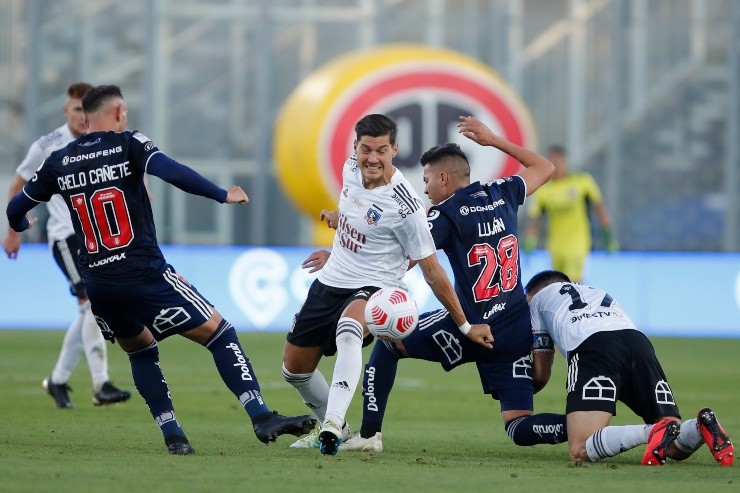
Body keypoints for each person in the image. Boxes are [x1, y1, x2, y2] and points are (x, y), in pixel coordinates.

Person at [6, 84, 316, 455]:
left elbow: (15, 207)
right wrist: (223, 194)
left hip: (100, 285)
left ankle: (174, 436)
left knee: (141, 352)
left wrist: (20, 225)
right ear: (119, 112)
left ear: (84, 118)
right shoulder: (129, 143)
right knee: (220, 334)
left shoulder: (59, 160)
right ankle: (261, 416)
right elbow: (173, 172)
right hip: (145, 273)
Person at [340, 116, 568, 453]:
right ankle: (583, 423)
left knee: (388, 343)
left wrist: (346, 254)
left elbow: (405, 259)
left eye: (427, 180)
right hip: (514, 329)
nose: (426, 189)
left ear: (443, 179)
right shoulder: (502, 192)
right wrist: (493, 140)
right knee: (519, 425)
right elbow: (545, 167)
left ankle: (369, 435)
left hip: (473, 328)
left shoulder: (444, 214)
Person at [281, 113, 493, 456]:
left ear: (394, 150)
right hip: (332, 279)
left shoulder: (406, 206)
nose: (372, 158)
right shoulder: (350, 168)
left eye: (381, 150)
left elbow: (433, 271)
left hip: (376, 287)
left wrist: (465, 325)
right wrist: (336, 226)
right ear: (355, 148)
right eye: (366, 149)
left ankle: (332, 423)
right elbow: (357, 212)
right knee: (294, 370)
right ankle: (340, 431)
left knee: (350, 328)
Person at [2, 82, 131, 409]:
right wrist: (13, 230)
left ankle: (58, 380)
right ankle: (101, 384)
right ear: (66, 110)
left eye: (85, 110)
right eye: (76, 109)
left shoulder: (100, 142)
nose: (81, 116)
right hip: (65, 237)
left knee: (88, 310)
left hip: (96, 238)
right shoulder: (47, 146)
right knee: (92, 304)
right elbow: (18, 185)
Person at [525, 269, 734, 466]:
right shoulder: (595, 291)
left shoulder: (536, 301)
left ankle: (651, 431)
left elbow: (541, 375)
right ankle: (699, 426)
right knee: (672, 443)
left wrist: (514, 390)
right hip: (637, 343)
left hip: (593, 346)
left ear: (532, 294)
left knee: (580, 448)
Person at [523, 145, 617, 283]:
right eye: (551, 162)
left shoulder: (582, 182)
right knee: (557, 286)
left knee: (575, 285)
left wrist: (608, 236)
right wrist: (529, 244)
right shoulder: (544, 190)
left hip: (578, 245)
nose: (555, 165)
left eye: (558, 161)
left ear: (565, 162)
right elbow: (534, 220)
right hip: (555, 247)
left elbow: (599, 208)